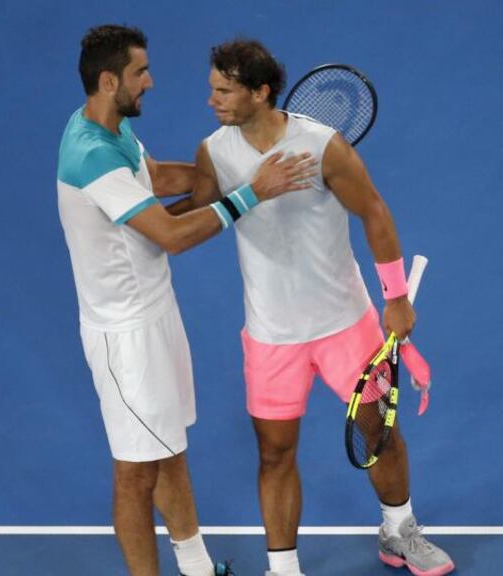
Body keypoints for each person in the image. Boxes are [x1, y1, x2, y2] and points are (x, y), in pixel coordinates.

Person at [184, 39, 456, 576]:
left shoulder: (323, 145)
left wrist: (396, 297)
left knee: (378, 430)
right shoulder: (214, 151)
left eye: (224, 89)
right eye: (212, 87)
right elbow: (198, 208)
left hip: (344, 324)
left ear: (260, 93)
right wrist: (129, 202)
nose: (211, 99)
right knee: (274, 453)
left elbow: (374, 212)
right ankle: (283, 567)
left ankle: (399, 529)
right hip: (270, 334)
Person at [56, 26, 317, 576]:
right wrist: (252, 192)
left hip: (155, 315)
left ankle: (196, 567)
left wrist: (234, 169)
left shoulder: (114, 129)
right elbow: (170, 237)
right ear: (109, 80)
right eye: (139, 73)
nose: (150, 81)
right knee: (136, 473)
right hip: (124, 336)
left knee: (169, 449)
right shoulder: (91, 155)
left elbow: (155, 178)